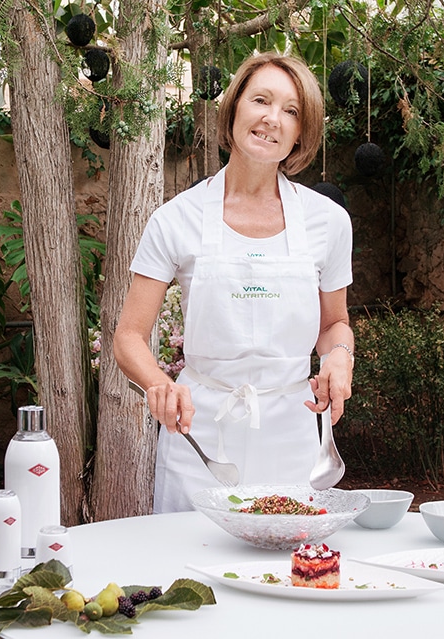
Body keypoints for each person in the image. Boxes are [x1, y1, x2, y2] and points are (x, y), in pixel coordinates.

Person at [113, 52, 355, 513]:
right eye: (261, 100)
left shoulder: (329, 222)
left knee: (290, 556)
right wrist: (158, 384)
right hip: (200, 435)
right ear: (234, 107)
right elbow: (129, 336)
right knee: (190, 558)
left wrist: (340, 358)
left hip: (292, 435)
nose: (272, 119)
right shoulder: (175, 219)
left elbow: (333, 325)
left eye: (291, 110)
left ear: (301, 132)